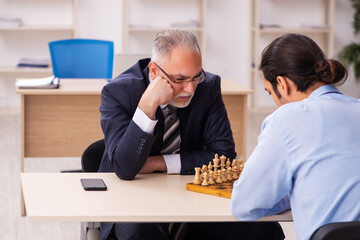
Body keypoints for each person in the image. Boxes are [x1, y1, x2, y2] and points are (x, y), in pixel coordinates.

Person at [98, 29, 285, 240]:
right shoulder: (117, 92)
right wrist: (147, 106)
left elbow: (224, 156)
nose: (190, 89)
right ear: (154, 71)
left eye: (196, 77)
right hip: (131, 198)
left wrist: (159, 162)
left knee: (264, 230)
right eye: (179, 79)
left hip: (188, 193)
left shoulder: (209, 86)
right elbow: (125, 168)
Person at [230, 33, 360, 240]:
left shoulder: (286, 119)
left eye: (269, 92)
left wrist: (289, 193)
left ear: (282, 84)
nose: (274, 100)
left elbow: (244, 205)